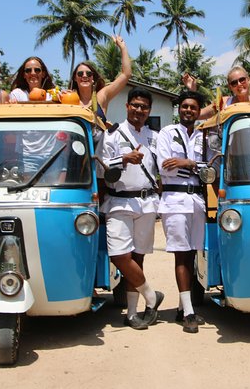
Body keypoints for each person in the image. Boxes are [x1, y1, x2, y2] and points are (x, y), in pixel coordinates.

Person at [100, 88, 164, 330]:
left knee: (138, 257)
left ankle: (133, 313)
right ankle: (151, 296)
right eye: (135, 105)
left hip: (146, 202)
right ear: (127, 106)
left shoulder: (155, 137)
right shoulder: (112, 135)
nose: (139, 110)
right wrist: (123, 159)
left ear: (149, 111)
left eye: (144, 107)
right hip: (119, 201)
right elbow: (102, 169)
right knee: (119, 255)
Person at [156, 91, 208, 334]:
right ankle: (188, 312)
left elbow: (210, 168)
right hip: (174, 199)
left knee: (192, 255)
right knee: (180, 254)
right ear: (179, 109)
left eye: (193, 107)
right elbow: (164, 167)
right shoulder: (167, 132)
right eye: (185, 106)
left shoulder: (203, 135)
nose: (188, 110)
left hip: (196, 200)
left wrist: (187, 163)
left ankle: (181, 305)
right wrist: (194, 167)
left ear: (199, 111)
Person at [64, 36, 131, 122]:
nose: (84, 76)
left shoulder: (101, 97)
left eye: (88, 73)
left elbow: (126, 74)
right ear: (75, 78)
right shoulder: (69, 98)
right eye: (80, 74)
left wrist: (123, 47)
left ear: (93, 78)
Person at [184, 68, 250, 120]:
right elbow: (197, 115)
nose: (239, 84)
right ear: (230, 87)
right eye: (234, 83)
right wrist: (192, 90)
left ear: (248, 80)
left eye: (242, 80)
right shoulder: (222, 103)